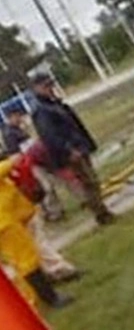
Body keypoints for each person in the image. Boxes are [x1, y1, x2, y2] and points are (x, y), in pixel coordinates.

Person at [28, 72, 115, 226]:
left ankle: (102, 211)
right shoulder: (41, 110)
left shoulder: (53, 103)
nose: (51, 88)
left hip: (78, 147)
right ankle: (101, 215)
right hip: (70, 152)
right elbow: (50, 136)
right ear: (36, 88)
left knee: (92, 181)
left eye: (51, 84)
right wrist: (69, 150)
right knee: (88, 182)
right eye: (46, 86)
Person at [0, 153, 72, 309]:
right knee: (27, 262)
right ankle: (50, 298)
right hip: (4, 224)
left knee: (24, 261)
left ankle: (36, 297)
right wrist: (10, 162)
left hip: (9, 218)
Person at [8, 148, 80, 284]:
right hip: (16, 213)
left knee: (37, 242)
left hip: (22, 208)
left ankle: (53, 271)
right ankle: (59, 270)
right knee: (37, 243)